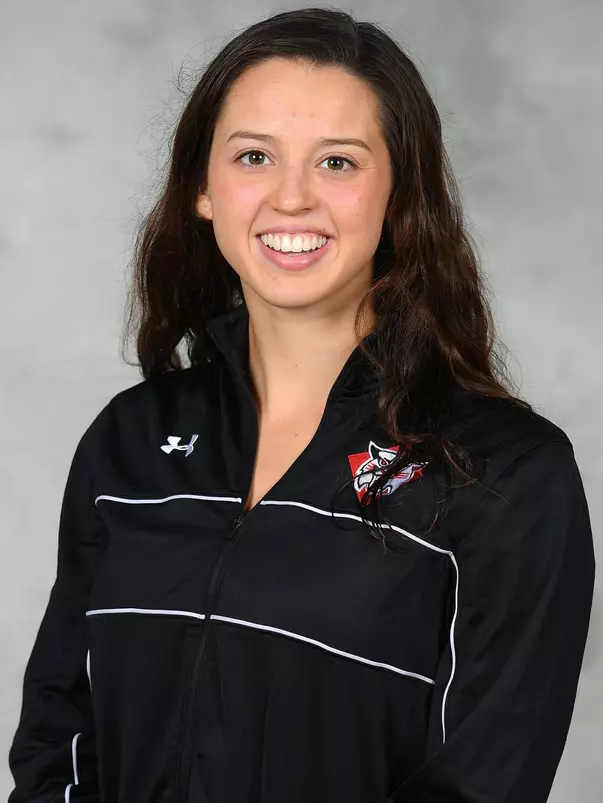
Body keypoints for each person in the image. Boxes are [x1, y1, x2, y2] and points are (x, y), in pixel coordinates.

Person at [7, 7, 596, 803]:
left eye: (338, 164)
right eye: (254, 156)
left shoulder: (504, 474)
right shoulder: (130, 442)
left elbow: (481, 784)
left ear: (400, 194)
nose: (291, 199)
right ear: (201, 190)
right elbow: (57, 734)